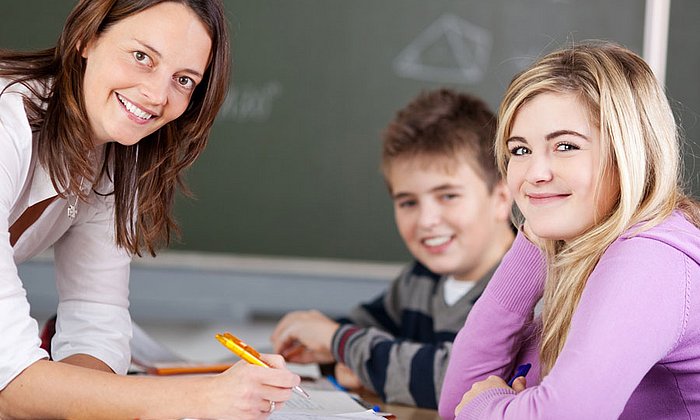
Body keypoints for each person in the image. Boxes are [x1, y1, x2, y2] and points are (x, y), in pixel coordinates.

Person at [0, 1, 300, 418]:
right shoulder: (4, 122)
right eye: (142, 57)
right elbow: (12, 386)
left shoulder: (114, 155)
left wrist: (78, 402)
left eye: (183, 79)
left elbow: (96, 323)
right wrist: (202, 397)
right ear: (87, 37)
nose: (158, 96)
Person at [438, 41, 700, 419]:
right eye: (520, 151)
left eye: (565, 146)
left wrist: (488, 406)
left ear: (629, 152)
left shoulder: (650, 259)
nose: (535, 174)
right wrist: (532, 245)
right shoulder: (582, 249)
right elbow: (456, 403)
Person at [270, 88, 515, 409]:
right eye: (408, 202)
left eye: (448, 196)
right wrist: (338, 353)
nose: (427, 220)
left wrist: (340, 344)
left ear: (500, 198)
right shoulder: (420, 279)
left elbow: (457, 380)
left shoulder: (522, 291)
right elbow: (360, 335)